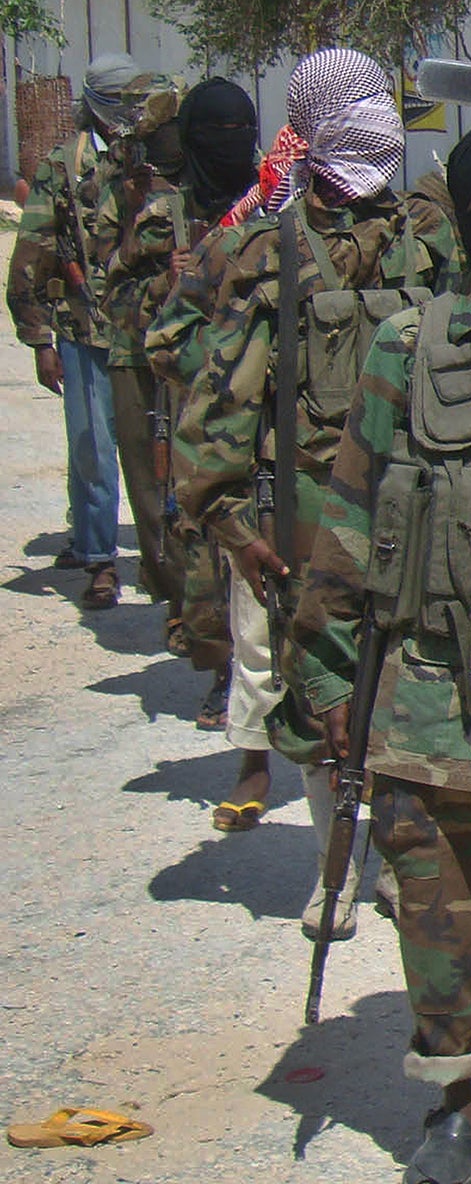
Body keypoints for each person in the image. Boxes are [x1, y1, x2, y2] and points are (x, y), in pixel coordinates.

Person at [293, 118, 471, 1184]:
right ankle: (452, 1101)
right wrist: (324, 679)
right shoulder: (404, 348)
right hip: (427, 700)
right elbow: (351, 514)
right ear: (456, 219)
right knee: (438, 930)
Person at [171, 49, 459, 922]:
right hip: (304, 517)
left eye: (380, 104)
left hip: (420, 506)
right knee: (314, 690)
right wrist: (234, 530)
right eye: (359, 107)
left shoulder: (428, 236)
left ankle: (391, 855)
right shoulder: (261, 247)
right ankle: (335, 861)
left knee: (414, 680)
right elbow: (209, 385)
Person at [110, 77, 258, 720]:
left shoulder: (271, 201)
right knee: (200, 535)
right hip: (193, 396)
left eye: (238, 132)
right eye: (214, 134)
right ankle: (222, 668)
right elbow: (116, 304)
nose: (228, 145)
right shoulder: (162, 213)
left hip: (265, 392)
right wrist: (167, 286)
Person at [7, 55, 176, 609]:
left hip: (157, 329)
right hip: (87, 329)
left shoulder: (167, 156)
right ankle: (100, 557)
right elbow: (33, 248)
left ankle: (167, 555)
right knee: (93, 449)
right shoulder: (67, 165)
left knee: (162, 444)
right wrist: (38, 340)